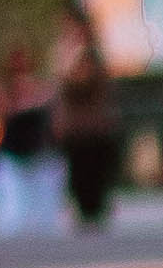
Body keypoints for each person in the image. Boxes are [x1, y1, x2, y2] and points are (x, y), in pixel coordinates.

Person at [52, 21, 123, 230]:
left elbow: (92, 86)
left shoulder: (95, 57)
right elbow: (65, 90)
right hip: (75, 131)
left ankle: (96, 211)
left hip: (96, 129)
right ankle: (84, 212)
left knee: (97, 173)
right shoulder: (64, 56)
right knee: (79, 175)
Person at [0, 40, 63, 233]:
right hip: (12, 155)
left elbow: (53, 117)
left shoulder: (41, 88)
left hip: (39, 154)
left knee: (44, 219)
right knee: (12, 218)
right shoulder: (3, 90)